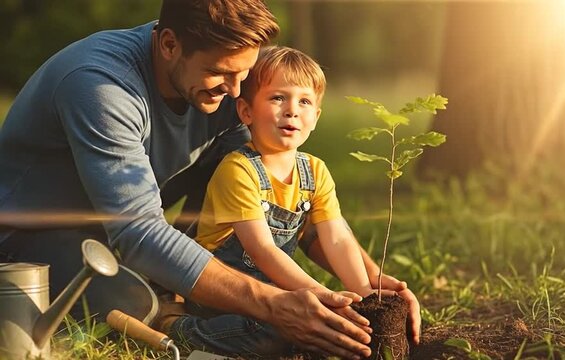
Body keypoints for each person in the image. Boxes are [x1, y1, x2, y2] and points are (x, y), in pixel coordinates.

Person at [0, 1, 375, 358]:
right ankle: (170, 315)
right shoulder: (101, 87)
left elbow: (262, 197)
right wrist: (273, 305)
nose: (235, 90)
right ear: (169, 44)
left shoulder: (228, 77)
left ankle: (177, 291)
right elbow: (140, 233)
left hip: (118, 236)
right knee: (135, 305)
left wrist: (373, 286)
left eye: (243, 73)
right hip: (28, 241)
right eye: (221, 73)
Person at [166, 45, 374, 357]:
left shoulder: (315, 171)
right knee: (273, 334)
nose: (292, 110)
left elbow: (337, 236)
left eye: (304, 101)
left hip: (275, 292)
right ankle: (178, 327)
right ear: (246, 111)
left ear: (315, 117)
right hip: (223, 296)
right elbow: (261, 250)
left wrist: (363, 294)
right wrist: (319, 294)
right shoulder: (238, 170)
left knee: (315, 331)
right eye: (278, 98)